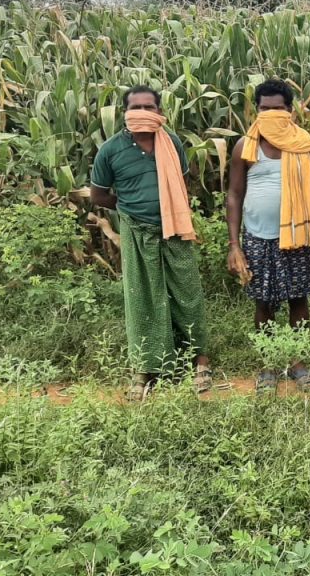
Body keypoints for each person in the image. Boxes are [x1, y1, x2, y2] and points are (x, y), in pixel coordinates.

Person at [90, 85, 210, 401]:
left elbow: (182, 184)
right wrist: (130, 206)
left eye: (149, 107)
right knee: (143, 296)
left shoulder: (170, 143)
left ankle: (199, 361)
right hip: (136, 230)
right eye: (136, 108)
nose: (143, 113)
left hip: (175, 229)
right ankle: (147, 369)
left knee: (187, 292)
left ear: (159, 112)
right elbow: (99, 195)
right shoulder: (111, 150)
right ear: (126, 114)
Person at [226, 79, 310, 393]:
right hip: (258, 237)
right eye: (264, 109)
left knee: (298, 299)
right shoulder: (246, 146)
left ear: (290, 110)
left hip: (298, 237)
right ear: (256, 110)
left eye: (278, 108)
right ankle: (268, 364)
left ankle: (298, 362)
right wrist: (234, 245)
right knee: (263, 302)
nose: (271, 114)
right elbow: (233, 195)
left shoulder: (304, 145)